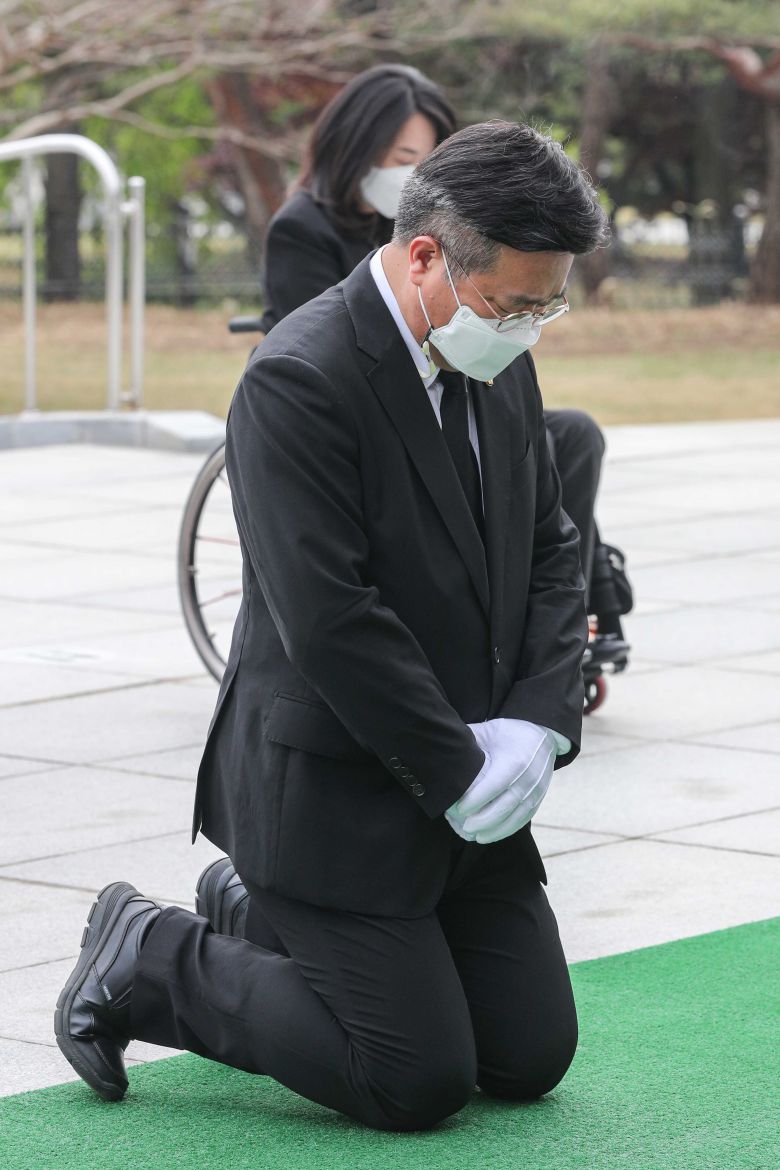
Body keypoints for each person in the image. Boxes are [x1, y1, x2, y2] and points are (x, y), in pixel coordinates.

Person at [55, 121, 609, 1131]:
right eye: (513, 304)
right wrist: (459, 770)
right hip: (336, 788)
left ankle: (250, 910)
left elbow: (551, 549)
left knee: (529, 1056)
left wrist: (538, 720)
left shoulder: (499, 353)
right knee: (414, 1079)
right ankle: (152, 956)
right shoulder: (298, 380)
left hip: (468, 786)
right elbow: (331, 622)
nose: (529, 326)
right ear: (426, 256)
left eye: (548, 304)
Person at [256, 63, 625, 655]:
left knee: (566, 440)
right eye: (401, 155)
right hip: (375, 395)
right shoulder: (309, 231)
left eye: (424, 157)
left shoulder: (472, 227)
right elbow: (319, 343)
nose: (409, 173)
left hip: (454, 374)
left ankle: (579, 608)